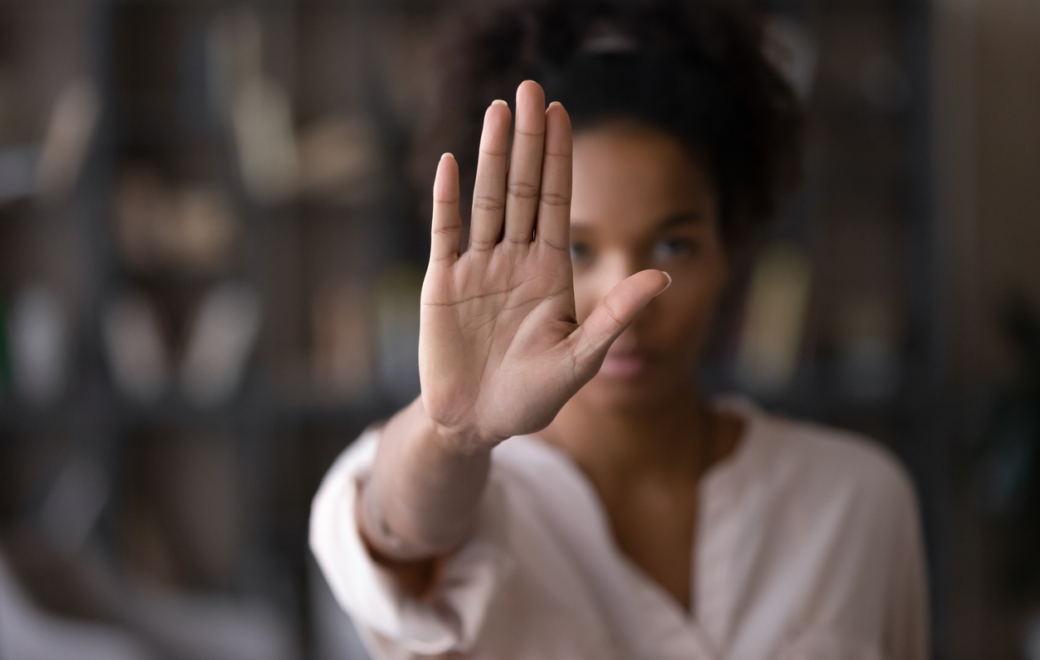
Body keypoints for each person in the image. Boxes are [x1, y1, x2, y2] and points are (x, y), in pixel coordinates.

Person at [310, 1, 929, 658]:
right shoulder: (450, 474)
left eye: (672, 247)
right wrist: (451, 433)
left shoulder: (857, 501)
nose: (624, 303)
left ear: (733, 247)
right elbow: (397, 531)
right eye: (575, 251)